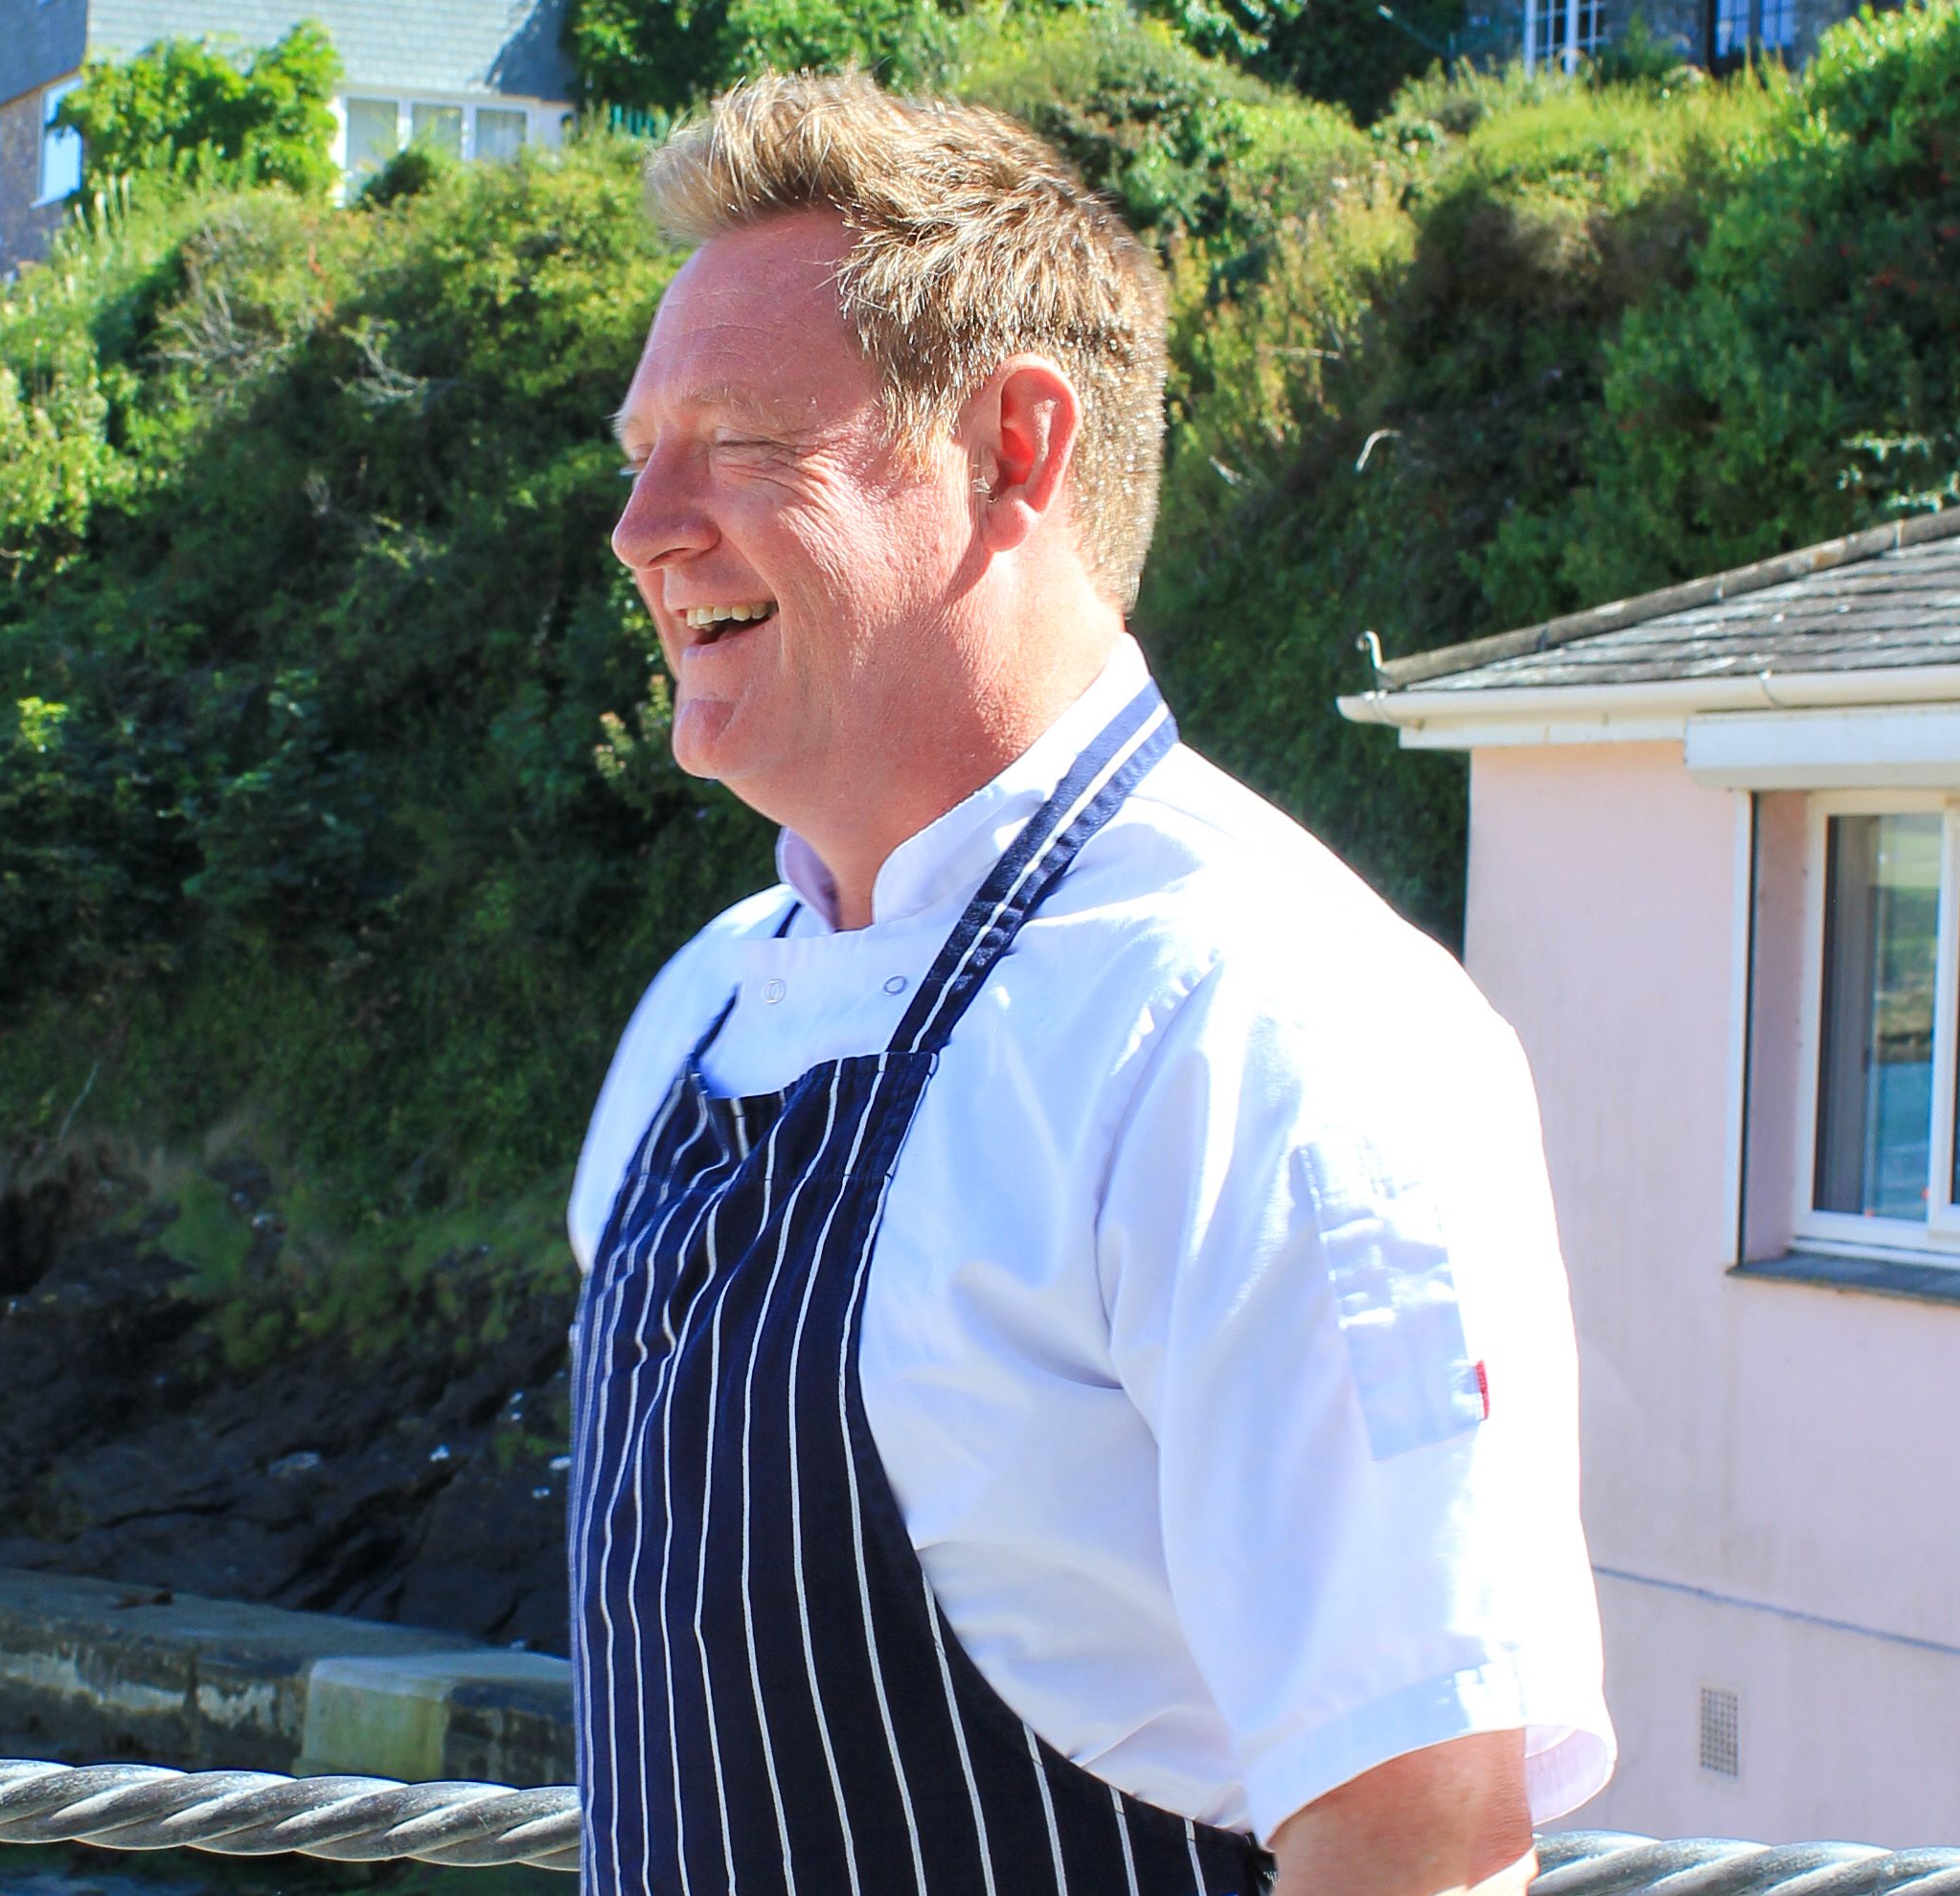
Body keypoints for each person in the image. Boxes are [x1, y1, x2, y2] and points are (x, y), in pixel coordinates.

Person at [564, 73, 1613, 1895]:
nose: (643, 525)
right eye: (641, 450)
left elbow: (1418, 1845)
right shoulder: (705, 1012)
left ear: (1015, 450)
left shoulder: (1268, 1027)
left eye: (737, 443)